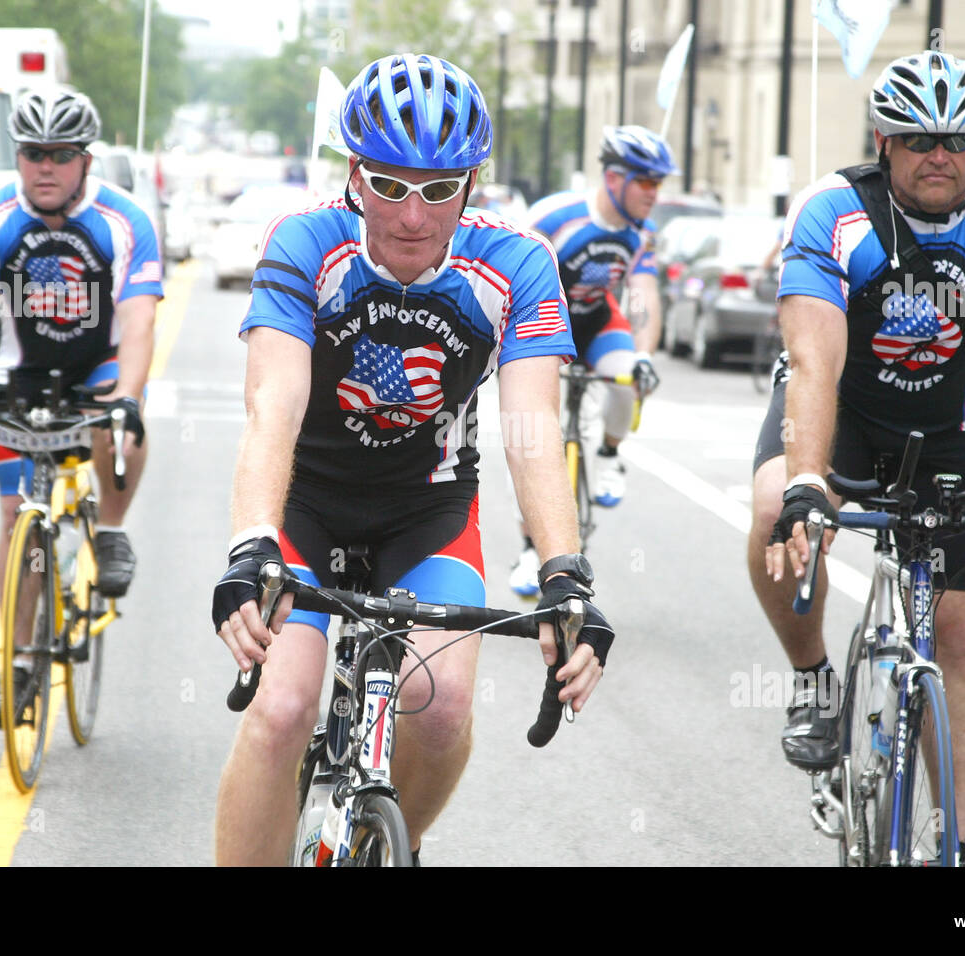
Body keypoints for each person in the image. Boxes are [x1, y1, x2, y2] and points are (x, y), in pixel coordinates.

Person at [210, 53, 614, 866]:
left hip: (426, 510)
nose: (411, 214)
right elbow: (274, 408)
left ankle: (395, 841)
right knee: (284, 707)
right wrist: (251, 540)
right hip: (306, 504)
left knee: (443, 706)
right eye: (389, 184)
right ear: (353, 174)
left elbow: (531, 425)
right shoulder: (305, 241)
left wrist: (565, 570)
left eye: (438, 188)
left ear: (472, 185)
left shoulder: (517, 263)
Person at [750, 51, 965, 865]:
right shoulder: (834, 211)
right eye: (917, 139)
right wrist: (805, 479)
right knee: (773, 512)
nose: (939, 154)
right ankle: (813, 679)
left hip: (954, 428)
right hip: (839, 411)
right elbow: (815, 357)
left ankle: (955, 849)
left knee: (959, 640)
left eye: (958, 139)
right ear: (882, 141)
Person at [0, 88, 159, 723]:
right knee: (16, 517)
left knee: (124, 420)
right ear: (18, 156)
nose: (45, 167)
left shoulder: (125, 220)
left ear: (85, 159)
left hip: (100, 369)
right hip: (22, 378)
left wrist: (129, 399)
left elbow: (139, 320)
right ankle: (23, 659)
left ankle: (108, 531)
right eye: (33, 153)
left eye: (61, 154)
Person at [508, 125, 675, 596]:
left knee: (627, 379)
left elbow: (642, 296)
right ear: (614, 178)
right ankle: (527, 550)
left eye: (658, 184)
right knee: (532, 433)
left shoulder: (642, 232)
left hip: (599, 320)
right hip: (541, 326)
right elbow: (512, 279)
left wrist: (643, 353)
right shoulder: (555, 216)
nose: (653, 193)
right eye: (646, 181)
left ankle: (608, 455)